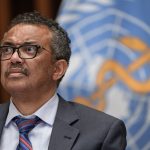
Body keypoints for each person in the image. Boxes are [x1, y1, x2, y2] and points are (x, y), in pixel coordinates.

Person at [0, 11, 127, 150]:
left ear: (57, 69)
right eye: (7, 49)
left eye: (29, 49)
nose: (13, 58)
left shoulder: (102, 132)